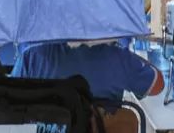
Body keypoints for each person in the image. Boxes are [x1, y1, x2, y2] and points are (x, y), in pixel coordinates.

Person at [11, 41, 165, 102]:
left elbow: (10, 97)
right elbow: (157, 85)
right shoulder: (117, 57)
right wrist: (133, 56)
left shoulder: (31, 56)